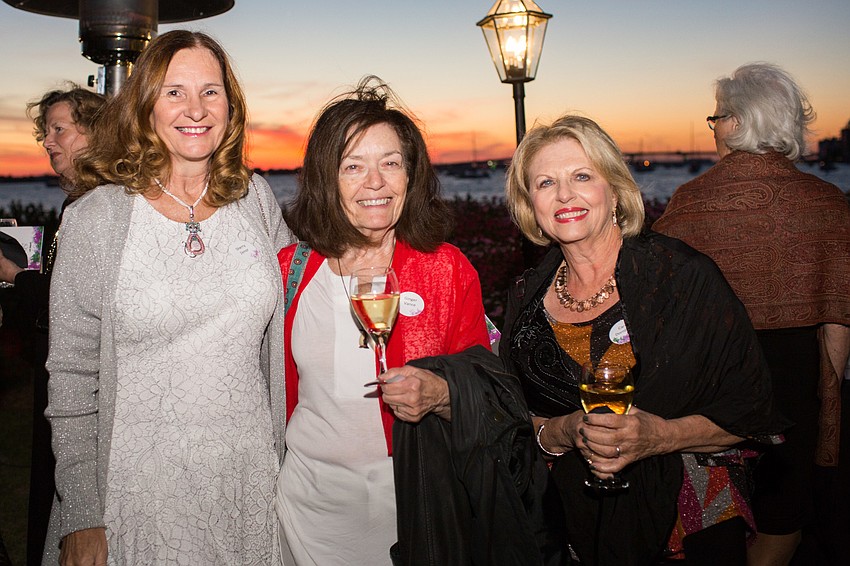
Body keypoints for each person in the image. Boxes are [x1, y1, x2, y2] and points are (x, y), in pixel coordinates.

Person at [43, 30, 293, 564]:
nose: (196, 108)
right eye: (174, 91)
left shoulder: (255, 198)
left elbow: (302, 298)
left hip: (250, 478)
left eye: (211, 90)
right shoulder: (98, 218)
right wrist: (82, 513)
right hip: (136, 490)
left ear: (231, 104)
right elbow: (70, 378)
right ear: (144, 104)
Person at [499, 114, 789, 565]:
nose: (564, 195)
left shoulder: (681, 278)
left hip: (686, 526)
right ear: (529, 203)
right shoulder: (525, 300)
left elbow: (752, 413)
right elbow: (514, 423)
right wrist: (562, 431)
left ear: (613, 189)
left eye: (581, 176)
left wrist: (660, 435)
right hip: (567, 527)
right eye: (545, 183)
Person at [275, 77, 491, 565]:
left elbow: (490, 400)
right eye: (353, 166)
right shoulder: (289, 269)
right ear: (325, 179)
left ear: (410, 176)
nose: (375, 183)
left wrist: (441, 395)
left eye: (390, 163)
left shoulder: (446, 270)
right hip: (308, 508)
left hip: (416, 504)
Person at [653, 62, 850, 565]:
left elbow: (660, 314)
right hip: (795, 385)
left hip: (712, 392)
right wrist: (828, 403)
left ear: (737, 122)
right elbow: (837, 326)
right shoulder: (829, 204)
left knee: (716, 521)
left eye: (715, 118)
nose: (713, 127)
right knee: (786, 521)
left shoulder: (689, 203)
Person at [0, 85, 105, 565]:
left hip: (88, 394)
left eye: (59, 129)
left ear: (96, 133)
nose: (48, 141)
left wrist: (14, 275)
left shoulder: (101, 206)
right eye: (47, 131)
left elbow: (74, 310)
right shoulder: (77, 203)